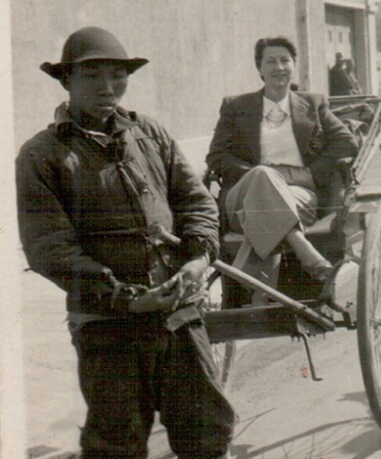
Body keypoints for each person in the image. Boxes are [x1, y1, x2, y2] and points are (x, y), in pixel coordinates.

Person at [16, 27, 235, 458]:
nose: (107, 87)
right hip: (107, 326)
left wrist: (197, 258)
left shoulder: (150, 134)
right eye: (92, 75)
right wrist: (126, 298)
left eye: (118, 75)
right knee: (117, 444)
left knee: (206, 432)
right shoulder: (41, 155)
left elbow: (197, 204)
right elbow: (49, 249)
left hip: (177, 314)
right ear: (66, 81)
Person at [206, 37, 358, 296]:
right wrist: (259, 175)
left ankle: (256, 289)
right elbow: (217, 156)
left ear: (293, 65)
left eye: (285, 60)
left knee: (268, 185)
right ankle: (303, 248)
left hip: (299, 194)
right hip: (241, 197)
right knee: (263, 175)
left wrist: (308, 174)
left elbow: (347, 142)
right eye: (271, 61)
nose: (279, 67)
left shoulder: (313, 103)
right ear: (260, 68)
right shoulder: (236, 107)